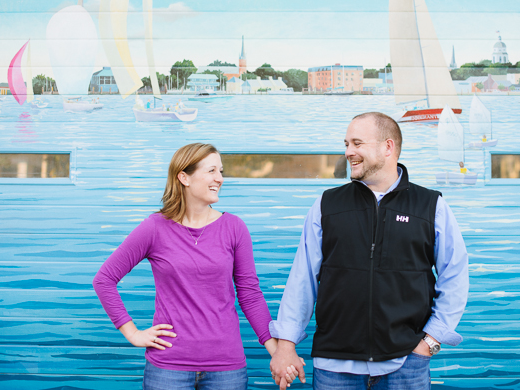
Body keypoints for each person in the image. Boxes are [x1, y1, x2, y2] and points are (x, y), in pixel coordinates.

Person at [269, 112, 469, 390]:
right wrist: (286, 344)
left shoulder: (430, 206)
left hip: (405, 364)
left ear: (388, 147)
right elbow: (302, 280)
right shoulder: (327, 205)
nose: (349, 152)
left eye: (357, 143)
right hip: (333, 366)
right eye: (347, 144)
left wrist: (431, 342)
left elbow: (455, 277)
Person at [94, 143, 296, 389]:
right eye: (211, 171)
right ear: (184, 177)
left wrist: (277, 352)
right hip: (168, 368)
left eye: (220, 171)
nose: (219, 179)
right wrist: (133, 333)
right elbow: (104, 280)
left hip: (226, 369)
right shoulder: (154, 228)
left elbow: (250, 294)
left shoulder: (234, 227)